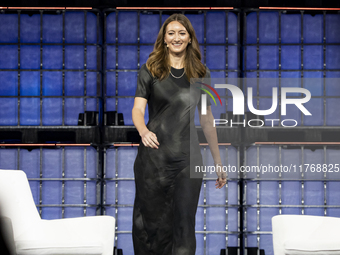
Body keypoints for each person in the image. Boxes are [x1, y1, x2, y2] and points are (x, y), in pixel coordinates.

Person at [131, 13, 226, 255]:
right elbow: (137, 109)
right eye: (171, 33)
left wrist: (218, 161)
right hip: (154, 160)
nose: (176, 37)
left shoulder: (202, 73)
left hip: (188, 160)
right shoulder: (149, 70)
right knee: (151, 227)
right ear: (164, 39)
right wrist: (143, 131)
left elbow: (207, 119)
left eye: (182, 33)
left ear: (189, 38)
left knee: (184, 226)